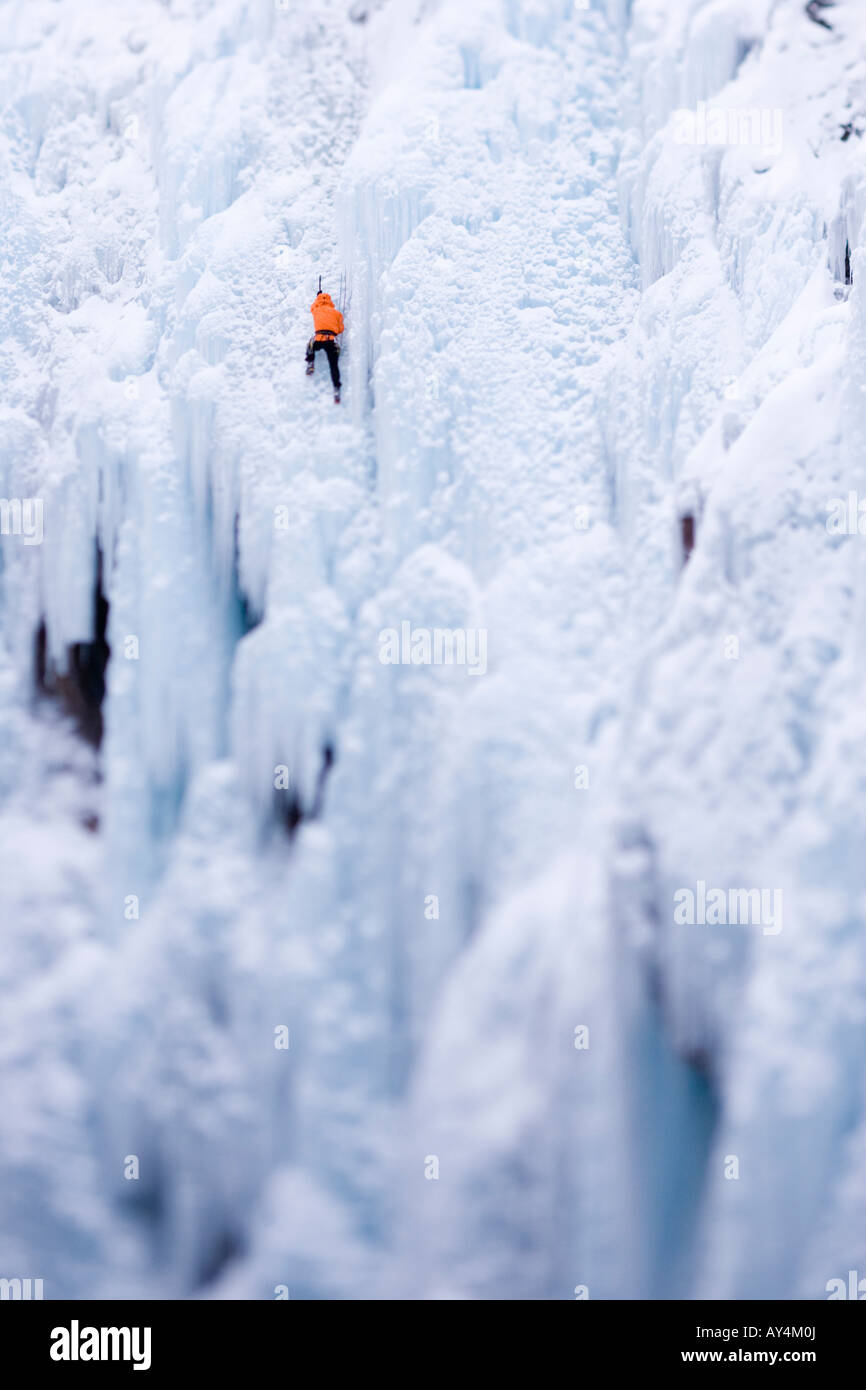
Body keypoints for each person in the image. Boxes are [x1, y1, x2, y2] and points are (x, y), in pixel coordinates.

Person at [305, 290, 344, 402]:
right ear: (330, 301)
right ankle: (336, 387)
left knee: (310, 344)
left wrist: (318, 297)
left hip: (319, 338)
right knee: (333, 365)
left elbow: (312, 308)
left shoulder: (316, 309)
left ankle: (310, 362)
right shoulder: (337, 313)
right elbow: (340, 329)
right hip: (331, 340)